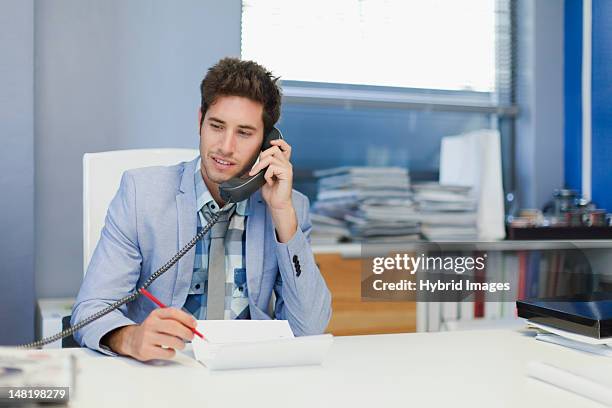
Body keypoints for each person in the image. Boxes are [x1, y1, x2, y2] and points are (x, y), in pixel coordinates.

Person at [72, 58, 332, 361]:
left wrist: (282, 213)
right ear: (200, 120)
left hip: (248, 372)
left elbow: (310, 328)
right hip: (164, 370)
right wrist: (131, 338)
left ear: (267, 143)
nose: (225, 146)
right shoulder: (141, 195)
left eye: (245, 133)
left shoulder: (289, 207)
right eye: (217, 126)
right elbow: (90, 310)